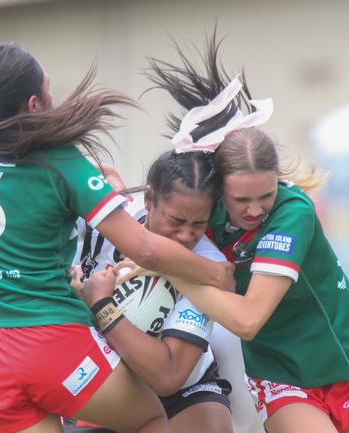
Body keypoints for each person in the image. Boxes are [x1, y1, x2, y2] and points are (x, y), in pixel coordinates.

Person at [0, 42, 232, 433]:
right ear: (34, 104)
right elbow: (145, 248)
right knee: (152, 416)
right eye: (48, 86)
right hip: (49, 342)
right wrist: (215, 274)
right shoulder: (62, 160)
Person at [132, 32, 349, 433]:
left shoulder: (293, 212)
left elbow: (249, 319)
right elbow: (154, 220)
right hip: (282, 375)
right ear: (220, 191)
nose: (256, 210)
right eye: (242, 201)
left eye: (265, 195)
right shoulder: (205, 213)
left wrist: (169, 268)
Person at [66, 149, 234, 433]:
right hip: (106, 380)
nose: (185, 236)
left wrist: (102, 306)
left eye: (198, 225)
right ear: (148, 198)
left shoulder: (209, 266)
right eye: (176, 221)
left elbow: (169, 375)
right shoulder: (106, 217)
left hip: (183, 389)